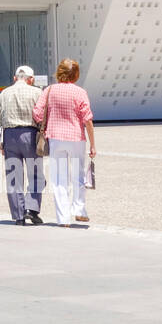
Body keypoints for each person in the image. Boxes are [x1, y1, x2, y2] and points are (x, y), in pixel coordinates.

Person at [32, 58, 96, 227]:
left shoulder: (49, 90)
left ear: (59, 72)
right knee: (78, 176)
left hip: (55, 138)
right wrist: (93, 144)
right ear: (75, 75)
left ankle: (63, 219)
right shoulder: (80, 92)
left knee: (59, 179)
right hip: (76, 138)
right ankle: (79, 209)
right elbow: (87, 119)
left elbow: (37, 113)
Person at [0, 65, 44, 225]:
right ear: (31, 79)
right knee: (36, 174)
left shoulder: (4, 93)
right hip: (30, 134)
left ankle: (18, 216)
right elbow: (42, 115)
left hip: (10, 136)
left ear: (15, 78)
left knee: (14, 177)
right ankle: (31, 208)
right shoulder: (37, 92)